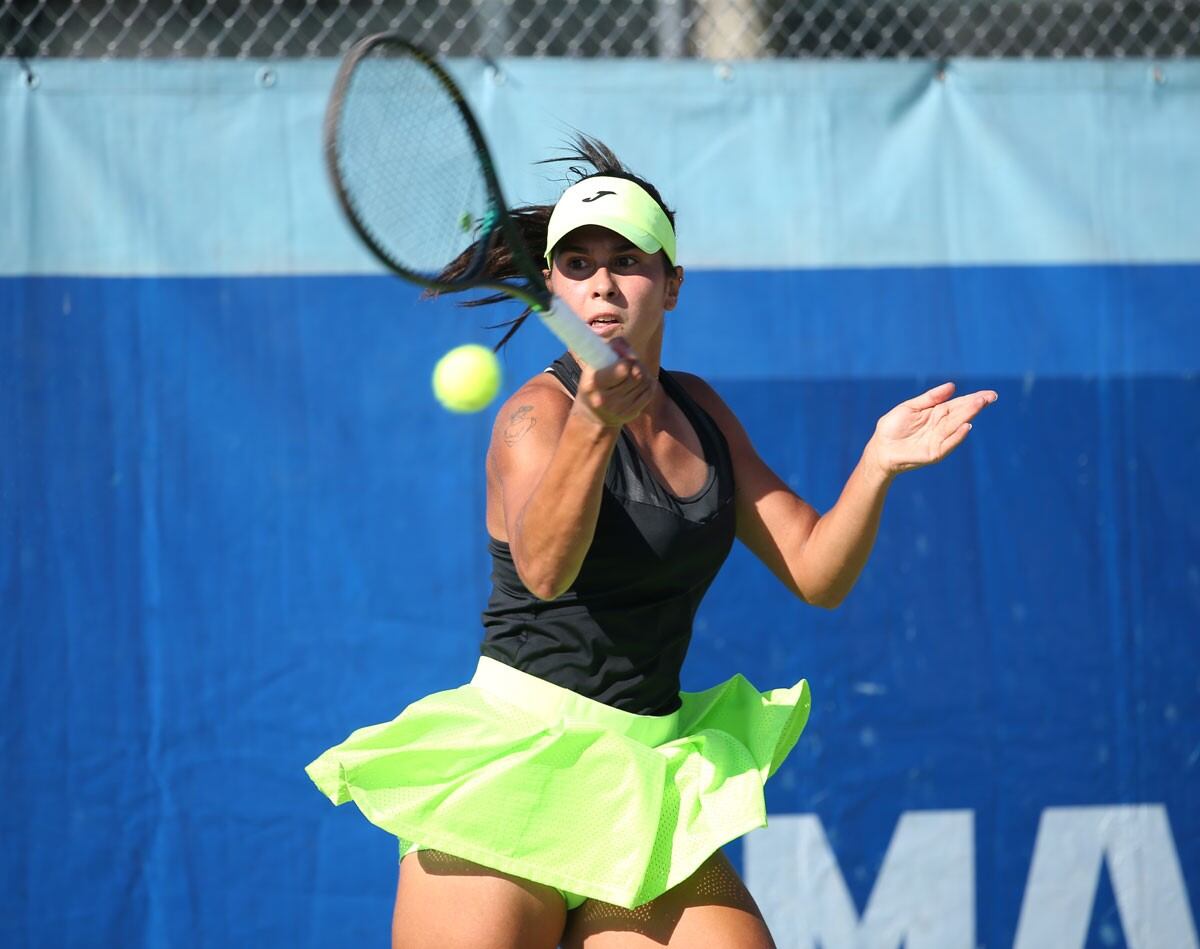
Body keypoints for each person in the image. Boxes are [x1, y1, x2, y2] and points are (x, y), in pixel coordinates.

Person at [307, 136, 998, 949]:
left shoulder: (699, 409)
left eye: (627, 259)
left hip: (643, 777)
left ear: (671, 283)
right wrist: (595, 425)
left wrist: (878, 463)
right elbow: (544, 569)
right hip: (511, 770)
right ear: (553, 289)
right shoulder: (534, 417)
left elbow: (817, 571)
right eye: (576, 263)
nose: (601, 281)